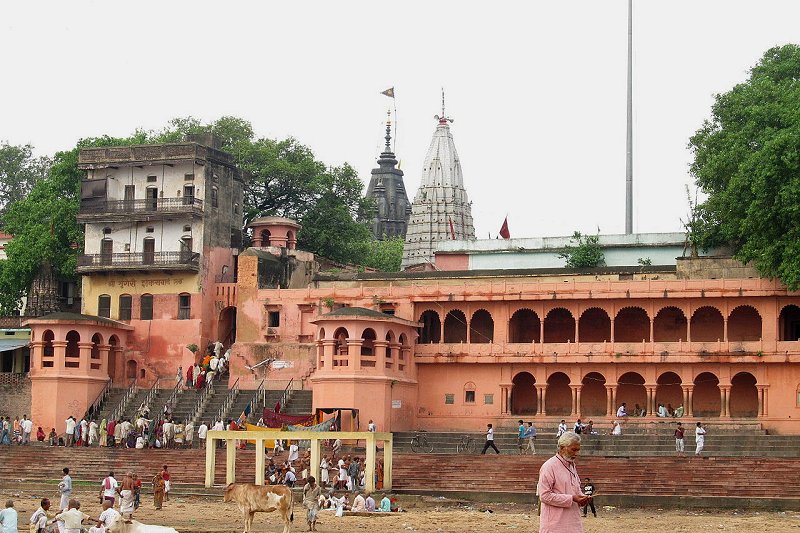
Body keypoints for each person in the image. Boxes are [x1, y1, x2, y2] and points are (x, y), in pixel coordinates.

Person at [537, 431, 590, 533]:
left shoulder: (572, 465)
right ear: (562, 448)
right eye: (573, 450)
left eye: (578, 450)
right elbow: (544, 496)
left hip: (573, 523)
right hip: (555, 525)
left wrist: (582, 498)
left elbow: (575, 490)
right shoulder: (549, 466)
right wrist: (572, 498)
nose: (576, 454)